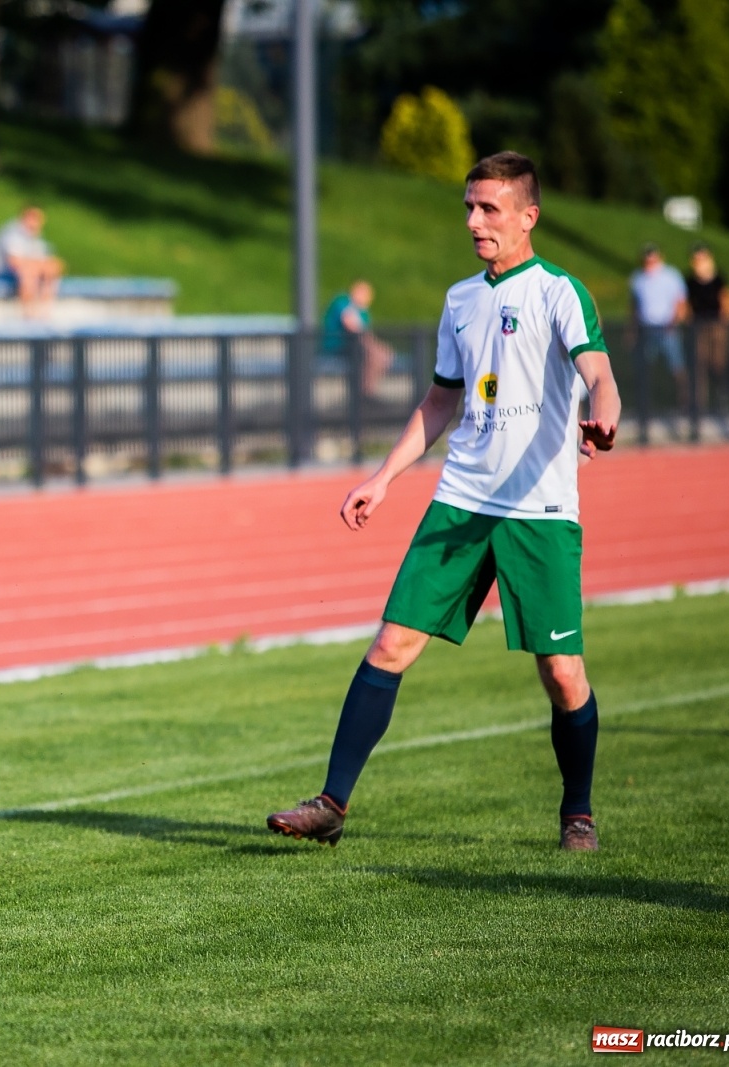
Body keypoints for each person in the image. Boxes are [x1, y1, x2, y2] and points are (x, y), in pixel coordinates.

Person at [266, 151, 622, 852]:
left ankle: (577, 810)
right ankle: (332, 803)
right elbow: (439, 402)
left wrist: (604, 414)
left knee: (561, 672)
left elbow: (599, 371)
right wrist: (384, 477)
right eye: (468, 206)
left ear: (528, 216)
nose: (473, 220)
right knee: (392, 642)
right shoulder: (461, 301)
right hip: (459, 501)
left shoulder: (560, 292)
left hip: (538, 512)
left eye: (489, 208)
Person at [629, 243, 688, 431]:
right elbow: (634, 307)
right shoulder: (638, 278)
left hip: (668, 328)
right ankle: (648, 406)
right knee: (646, 368)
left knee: (677, 367)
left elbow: (680, 302)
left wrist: (675, 321)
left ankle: (685, 406)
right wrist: (631, 329)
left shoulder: (671, 276)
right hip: (647, 329)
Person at [685, 242, 729, 434]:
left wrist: (725, 321)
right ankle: (700, 405)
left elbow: (726, 300)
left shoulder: (718, 278)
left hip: (716, 325)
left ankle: (723, 397)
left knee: (719, 363)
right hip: (699, 327)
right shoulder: (690, 280)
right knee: (700, 364)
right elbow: (687, 303)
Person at [0, 206, 64, 318]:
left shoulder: (34, 236)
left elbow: (45, 261)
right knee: (28, 272)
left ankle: (44, 314)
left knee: (50, 270)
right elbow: (15, 262)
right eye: (35, 218)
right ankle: (29, 315)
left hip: (14, 271)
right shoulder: (12, 233)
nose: (37, 223)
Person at [321, 279, 394, 397]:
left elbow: (366, 332)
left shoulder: (363, 312)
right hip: (338, 346)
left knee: (382, 354)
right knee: (374, 354)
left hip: (355, 348)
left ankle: (367, 391)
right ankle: (362, 393)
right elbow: (351, 325)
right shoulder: (343, 302)